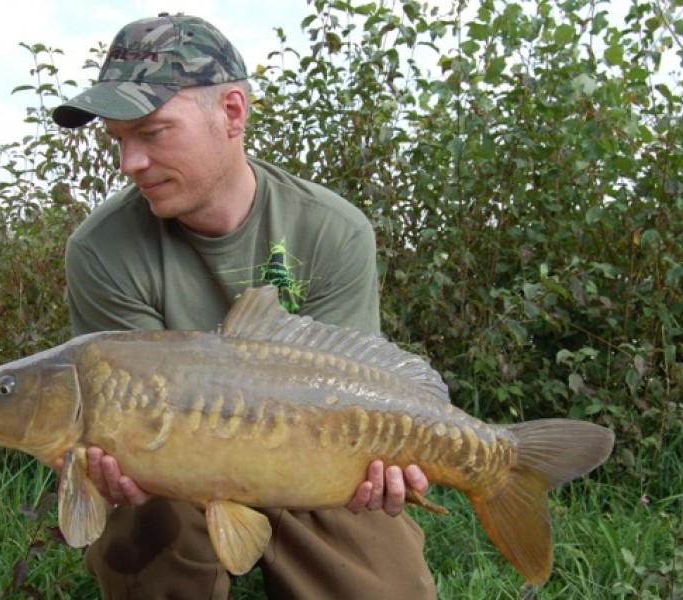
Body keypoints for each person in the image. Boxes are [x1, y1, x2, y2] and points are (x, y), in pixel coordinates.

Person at [52, 13, 437, 599]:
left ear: (231, 113)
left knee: (385, 584)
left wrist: (384, 457)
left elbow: (358, 388)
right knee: (145, 505)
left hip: (311, 456)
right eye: (119, 140)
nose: (129, 163)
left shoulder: (332, 230)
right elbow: (121, 426)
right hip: (174, 471)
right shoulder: (102, 249)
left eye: (152, 133)